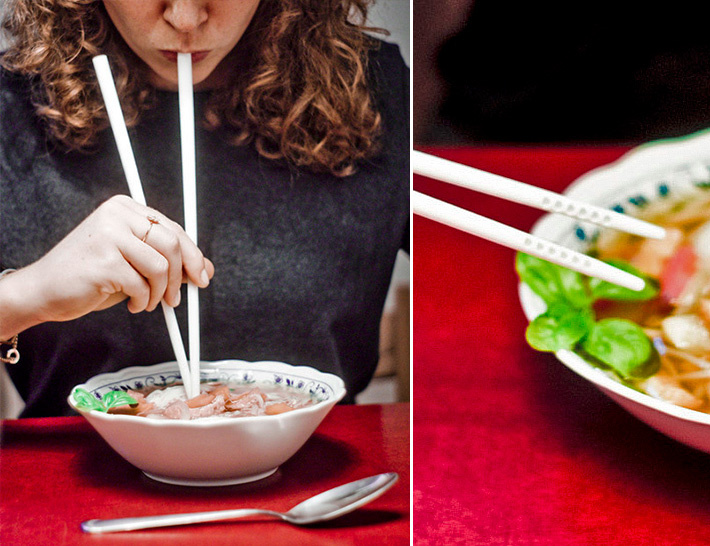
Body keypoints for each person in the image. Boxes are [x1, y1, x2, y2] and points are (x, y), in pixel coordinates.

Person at [0, 0, 410, 417]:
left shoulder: (373, 88)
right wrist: (27, 294)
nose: (185, 19)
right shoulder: (11, 106)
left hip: (323, 470)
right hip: (66, 471)